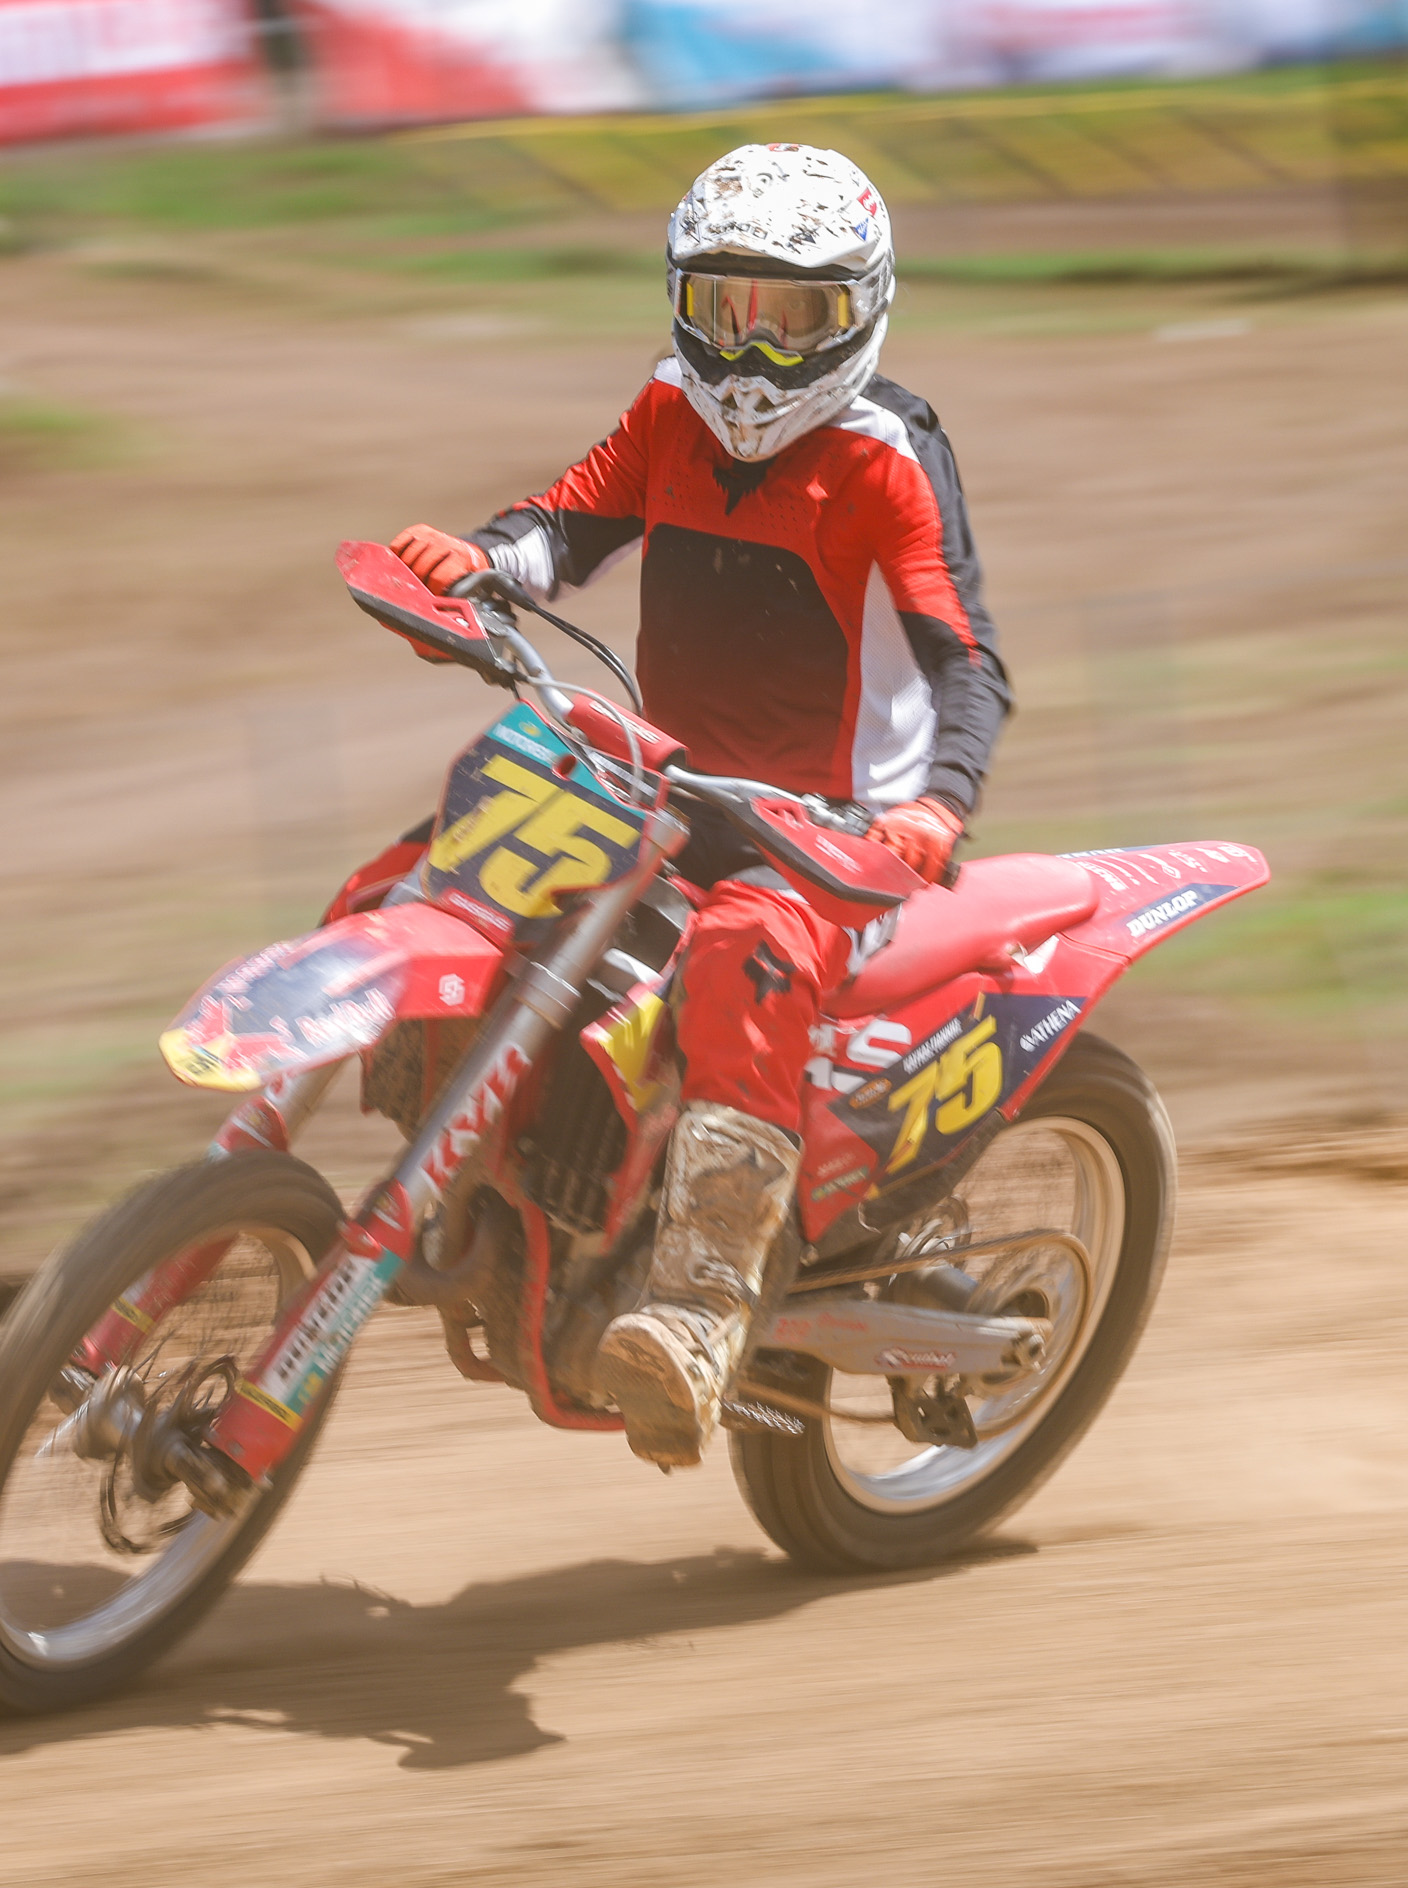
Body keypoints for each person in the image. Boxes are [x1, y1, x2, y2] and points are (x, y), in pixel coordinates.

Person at [386, 142, 1010, 1473]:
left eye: (791, 318)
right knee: (465, 845)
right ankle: (447, 1135)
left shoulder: (888, 456)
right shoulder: (673, 404)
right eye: (727, 308)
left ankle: (699, 1313)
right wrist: (481, 561)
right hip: (670, 787)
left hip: (833, 831)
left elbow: (967, 659)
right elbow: (572, 521)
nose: (752, 354)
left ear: (858, 313)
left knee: (740, 955)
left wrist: (938, 807)